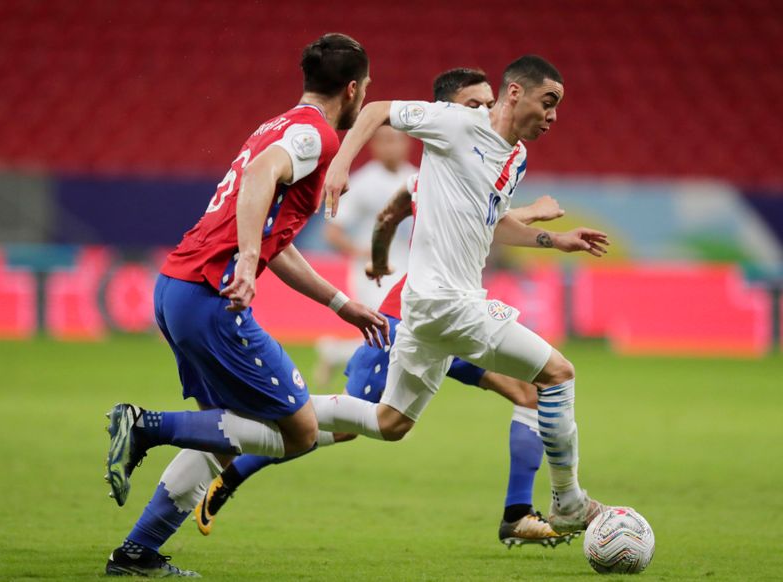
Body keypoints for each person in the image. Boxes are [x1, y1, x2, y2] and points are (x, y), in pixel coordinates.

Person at [194, 69, 572, 548]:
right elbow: (392, 215)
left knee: (531, 393)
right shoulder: (440, 157)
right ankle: (239, 455)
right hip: (406, 317)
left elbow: (474, 218)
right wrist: (374, 265)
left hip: (450, 314)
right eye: (472, 104)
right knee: (358, 425)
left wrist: (543, 227)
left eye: (486, 103)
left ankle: (518, 512)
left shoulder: (481, 162)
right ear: (448, 109)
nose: (483, 112)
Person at [102, 33, 387, 577]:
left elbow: (274, 234)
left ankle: (137, 553)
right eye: (367, 87)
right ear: (352, 90)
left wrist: (339, 303)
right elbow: (259, 180)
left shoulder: (274, 126)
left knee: (226, 431)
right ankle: (145, 426)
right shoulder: (315, 135)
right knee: (299, 431)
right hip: (211, 294)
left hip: (178, 288)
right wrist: (249, 263)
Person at [312, 55, 611, 535]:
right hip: (447, 303)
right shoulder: (454, 123)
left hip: (432, 311)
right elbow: (375, 111)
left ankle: (273, 409)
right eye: (548, 101)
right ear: (515, 92)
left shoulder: (515, 158)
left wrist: (555, 240)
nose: (554, 115)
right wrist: (339, 166)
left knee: (390, 422)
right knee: (556, 375)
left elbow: (490, 224)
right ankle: (569, 502)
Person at [314, 125, 417, 388]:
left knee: (402, 333)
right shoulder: (363, 183)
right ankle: (368, 393)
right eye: (385, 141)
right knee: (389, 329)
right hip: (372, 272)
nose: (391, 146)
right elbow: (332, 232)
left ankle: (335, 353)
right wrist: (363, 252)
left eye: (396, 140)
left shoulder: (417, 178)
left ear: (407, 143)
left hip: (409, 268)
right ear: (374, 146)